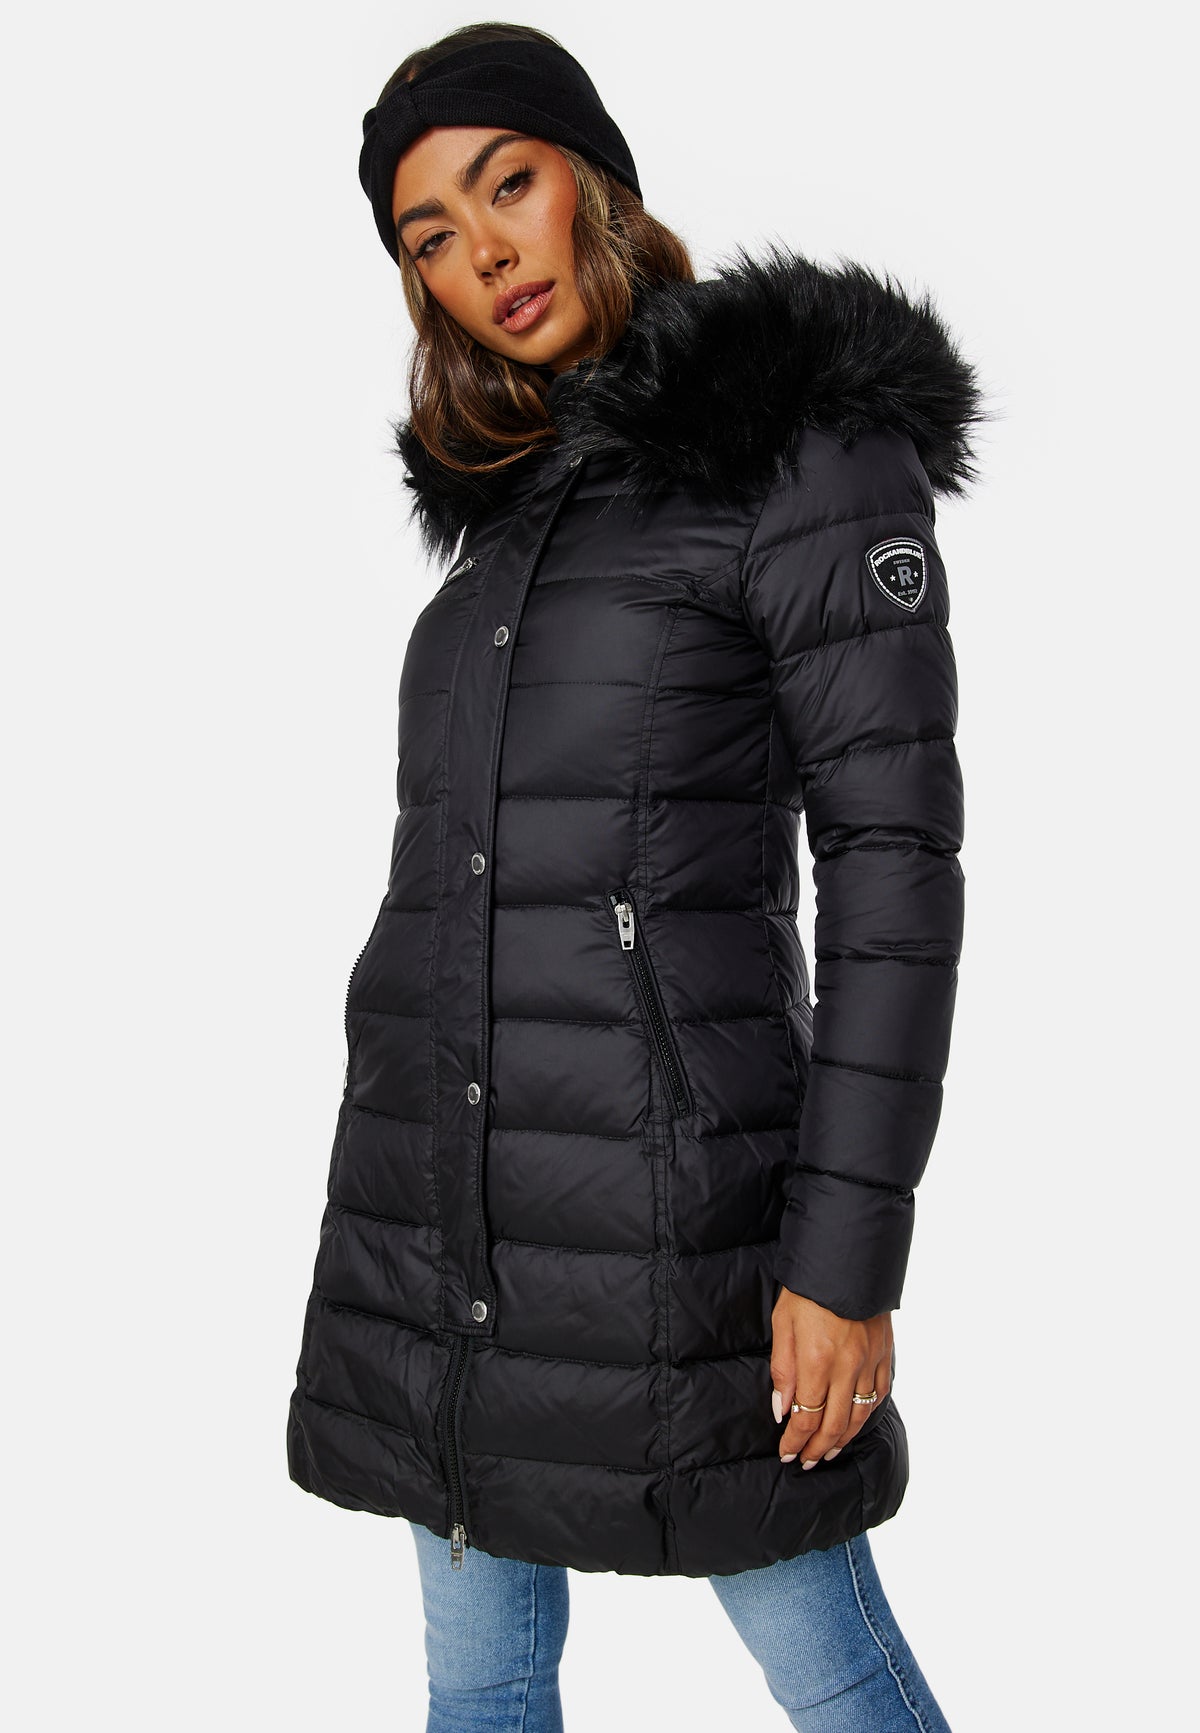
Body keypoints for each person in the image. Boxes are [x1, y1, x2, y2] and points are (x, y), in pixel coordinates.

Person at [287, 21, 986, 1731]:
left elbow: (894, 867)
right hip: (447, 1219)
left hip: (683, 1234)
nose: (485, 253)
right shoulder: (510, 518)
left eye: (506, 185)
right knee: (480, 1684)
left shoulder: (797, 451)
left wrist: (846, 1261)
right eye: (430, 236)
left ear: (592, 178)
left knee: (829, 1665)